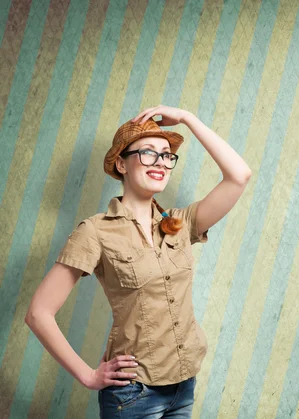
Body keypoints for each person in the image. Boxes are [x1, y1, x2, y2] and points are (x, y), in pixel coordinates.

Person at [25, 105, 251, 418]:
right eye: (148, 153)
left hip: (183, 386)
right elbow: (38, 313)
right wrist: (88, 375)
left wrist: (187, 118)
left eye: (167, 155)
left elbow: (239, 176)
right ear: (121, 163)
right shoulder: (95, 231)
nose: (161, 162)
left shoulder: (180, 222)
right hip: (132, 395)